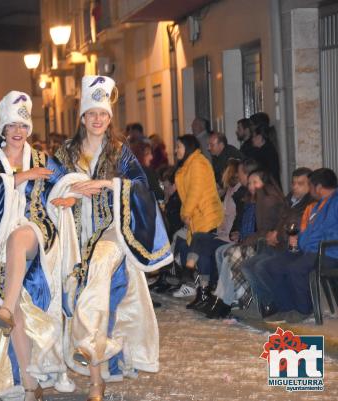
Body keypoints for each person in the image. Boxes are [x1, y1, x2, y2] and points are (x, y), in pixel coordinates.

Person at [48, 76, 172, 399]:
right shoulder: (65, 152)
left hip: (112, 230)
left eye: (103, 114)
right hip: (77, 235)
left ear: (109, 117)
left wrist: (106, 186)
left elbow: (143, 189)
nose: (98, 119)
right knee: (88, 291)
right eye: (92, 114)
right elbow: (50, 186)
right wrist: (73, 188)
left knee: (99, 270)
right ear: (83, 118)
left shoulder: (120, 153)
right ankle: (96, 373)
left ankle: (93, 364)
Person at [0, 91, 72, 401]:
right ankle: (31, 387)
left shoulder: (40, 157)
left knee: (20, 238)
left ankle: (4, 307)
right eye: (11, 126)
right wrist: (23, 176)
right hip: (0, 240)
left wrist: (70, 193)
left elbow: (64, 180)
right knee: (18, 315)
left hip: (36, 231)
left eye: (22, 125)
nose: (18, 132)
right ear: (3, 129)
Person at [247, 168, 338, 322]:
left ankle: (304, 310)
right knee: (272, 266)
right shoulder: (318, 205)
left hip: (329, 252)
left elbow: (326, 232)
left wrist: (309, 242)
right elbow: (308, 230)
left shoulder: (335, 203)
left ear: (319, 187)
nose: (310, 190)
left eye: (310, 185)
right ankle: (286, 307)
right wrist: (299, 239)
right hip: (309, 250)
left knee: (295, 268)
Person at [204, 169, 286, 318]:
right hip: (256, 242)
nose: (251, 186)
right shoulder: (256, 198)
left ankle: (226, 300)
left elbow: (266, 230)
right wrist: (242, 236)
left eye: (255, 182)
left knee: (232, 253)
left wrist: (247, 240)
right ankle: (223, 297)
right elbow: (256, 228)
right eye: (249, 183)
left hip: (267, 246)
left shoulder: (269, 200)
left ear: (264, 183)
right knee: (223, 251)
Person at [241, 167, 314, 317]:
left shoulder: (309, 202)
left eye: (300, 183)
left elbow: (296, 224)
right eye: (293, 183)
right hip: (279, 244)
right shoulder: (289, 199)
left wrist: (276, 234)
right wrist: (272, 234)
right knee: (247, 265)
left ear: (310, 185)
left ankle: (285, 306)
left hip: (295, 247)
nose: (295, 187)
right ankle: (271, 302)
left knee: (262, 266)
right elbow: (277, 221)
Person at [174, 134, 224, 308]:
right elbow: (186, 195)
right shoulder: (188, 165)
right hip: (198, 217)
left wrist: (185, 212)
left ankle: (204, 292)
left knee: (202, 254)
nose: (176, 150)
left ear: (187, 147)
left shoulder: (198, 163)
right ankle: (202, 292)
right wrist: (185, 213)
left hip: (207, 215)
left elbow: (195, 190)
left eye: (178, 146)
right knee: (200, 253)